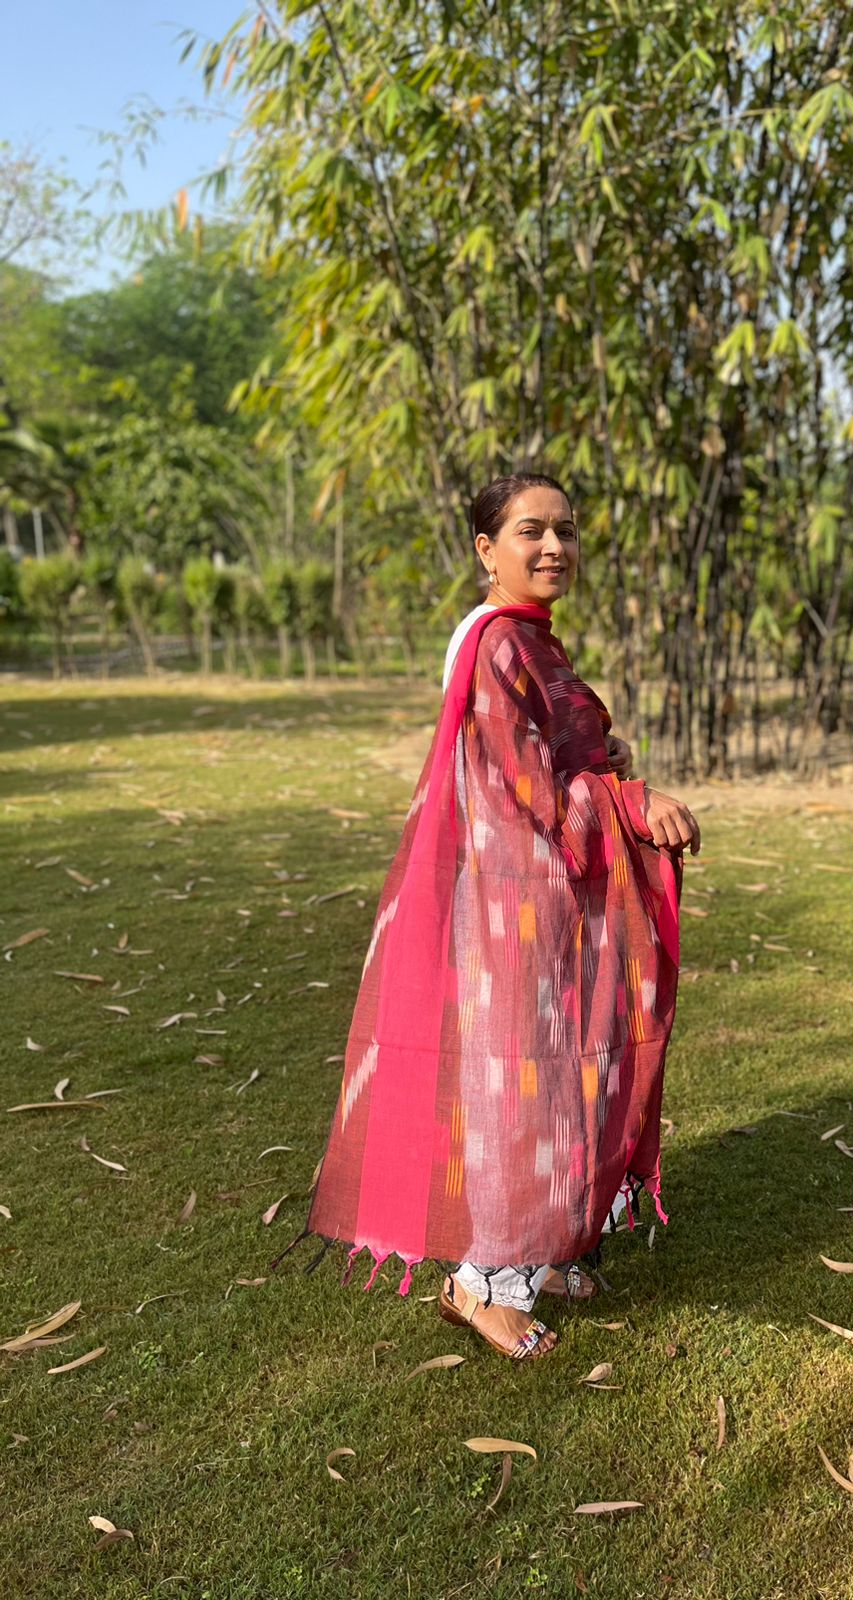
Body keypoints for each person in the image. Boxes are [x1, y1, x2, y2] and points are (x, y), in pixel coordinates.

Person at [270, 473, 701, 1362]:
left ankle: (543, 1248)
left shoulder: (530, 641)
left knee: (563, 1065)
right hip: (514, 897)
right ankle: (482, 1285)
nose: (554, 547)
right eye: (530, 531)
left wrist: (609, 768)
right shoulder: (498, 645)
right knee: (519, 1079)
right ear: (485, 549)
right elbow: (524, 789)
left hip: (546, 893)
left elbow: (559, 755)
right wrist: (626, 799)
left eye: (567, 531)